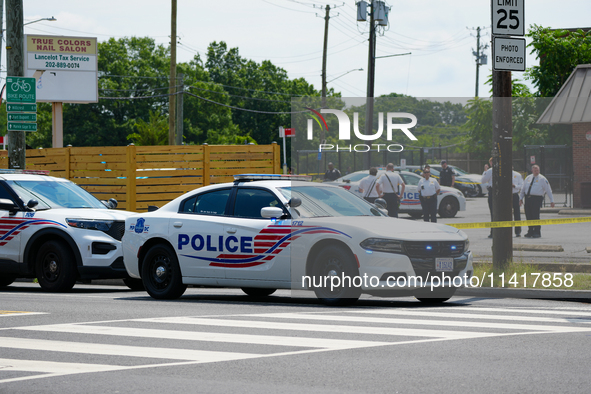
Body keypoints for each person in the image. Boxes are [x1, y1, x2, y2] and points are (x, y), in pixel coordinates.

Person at [519, 165, 554, 238]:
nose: (536, 172)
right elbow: (523, 189)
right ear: (532, 171)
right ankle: (530, 231)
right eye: (535, 170)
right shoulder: (528, 178)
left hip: (537, 199)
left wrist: (552, 200)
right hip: (528, 198)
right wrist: (520, 198)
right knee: (528, 215)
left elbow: (548, 190)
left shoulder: (542, 179)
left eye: (537, 170)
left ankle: (537, 232)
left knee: (535, 215)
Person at [481, 158, 494, 238]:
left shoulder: (490, 170)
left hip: (493, 192)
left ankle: (493, 232)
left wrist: (485, 171)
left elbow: (483, 180)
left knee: (493, 213)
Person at [511, 167, 524, 237]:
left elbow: (522, 185)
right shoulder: (502, 174)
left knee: (517, 214)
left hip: (514, 195)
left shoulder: (517, 175)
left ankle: (518, 231)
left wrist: (514, 186)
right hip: (505, 196)